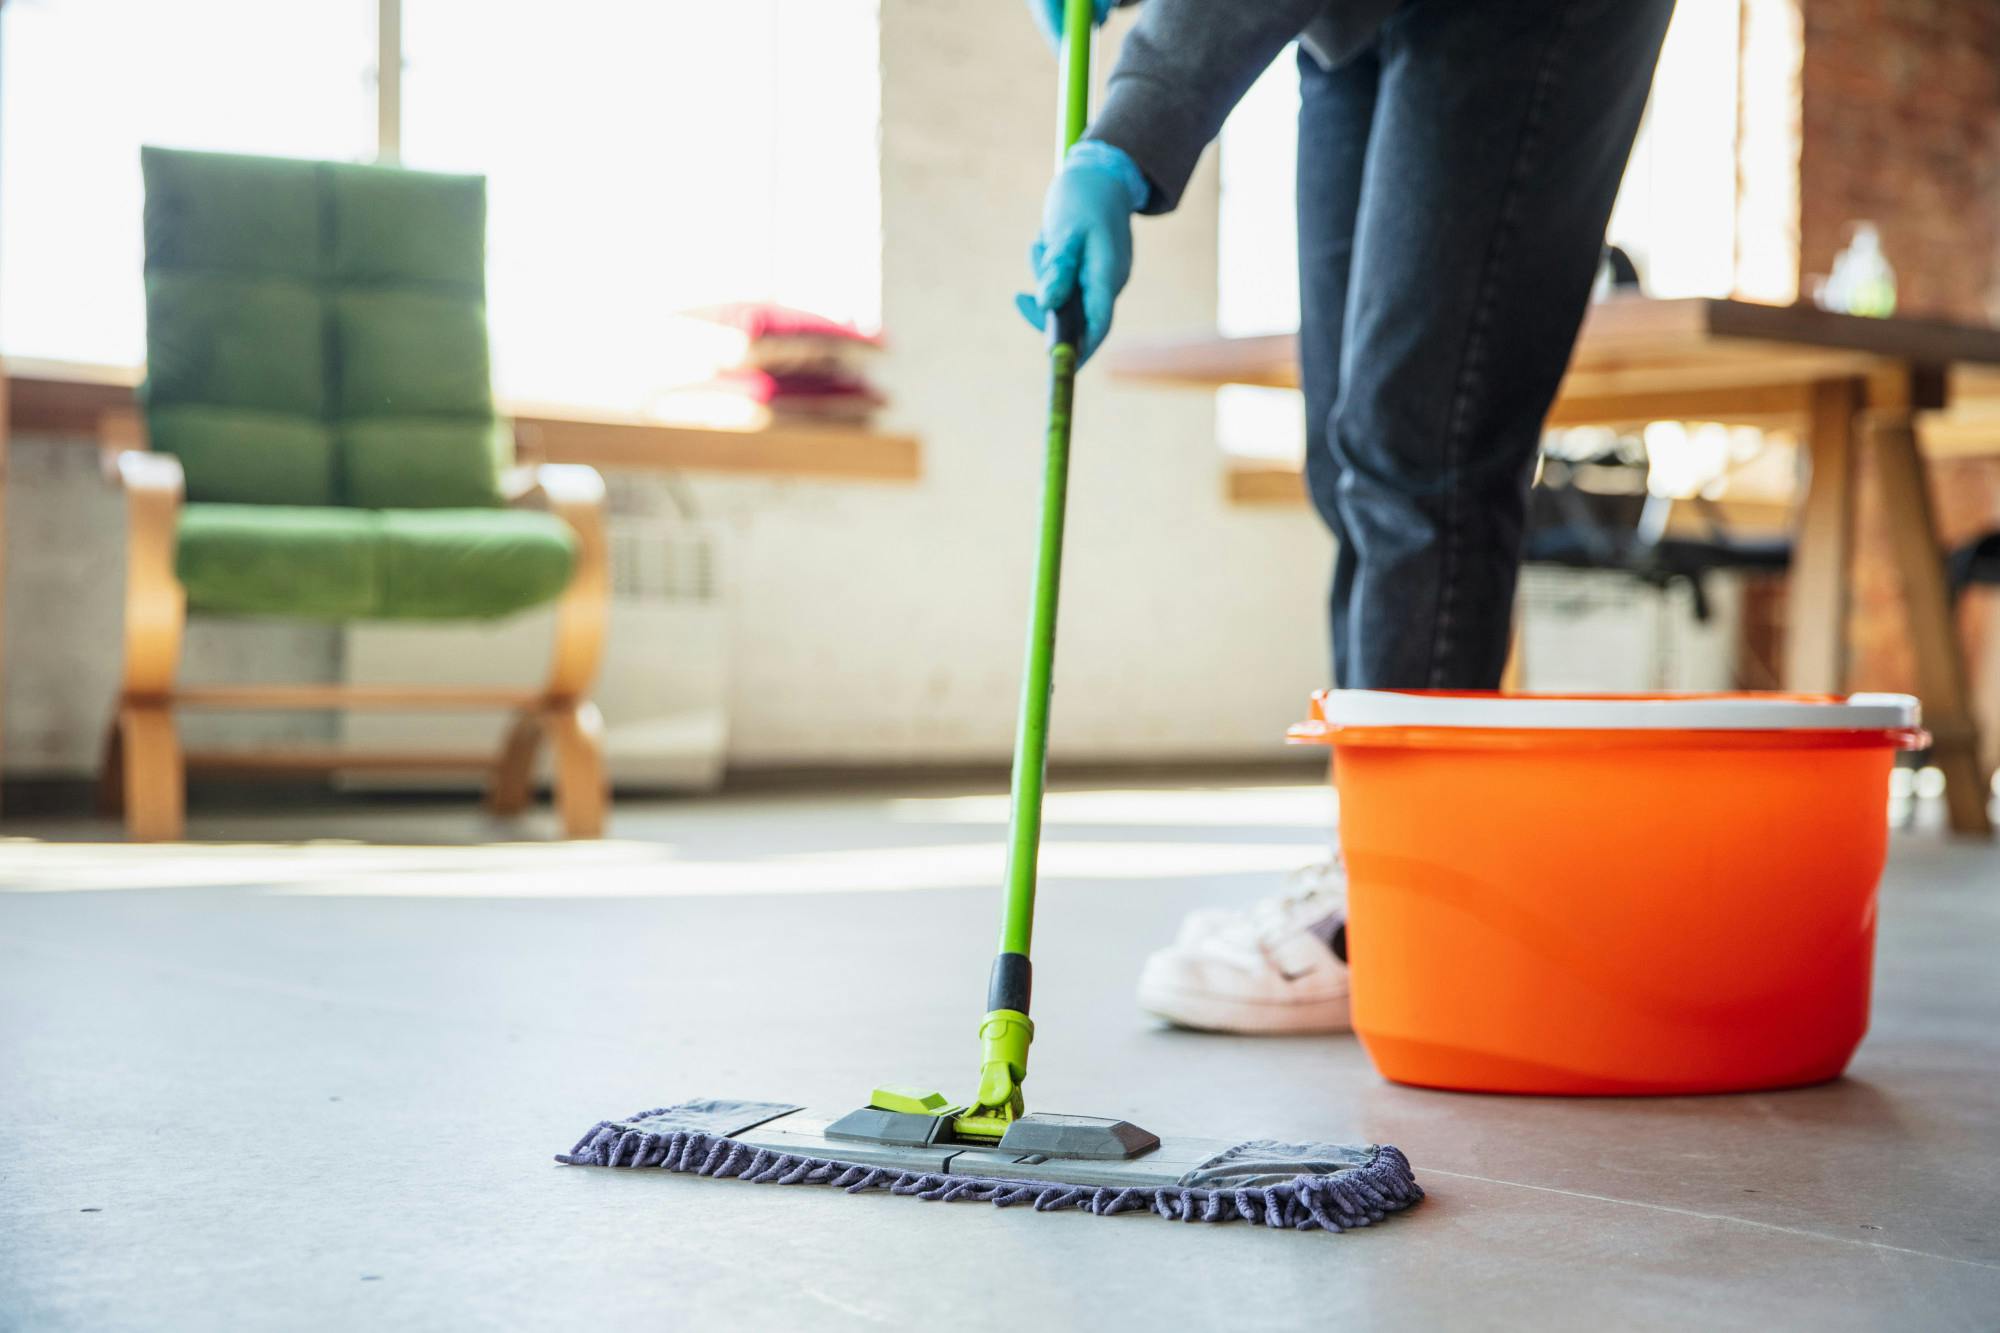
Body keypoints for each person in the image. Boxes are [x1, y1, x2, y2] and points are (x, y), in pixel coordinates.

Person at [1017, 0, 1675, 1033]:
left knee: (1420, 444)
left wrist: (1123, 138)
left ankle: (1405, 898)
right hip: (1351, 25)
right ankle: (1370, 851)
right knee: (1344, 445)